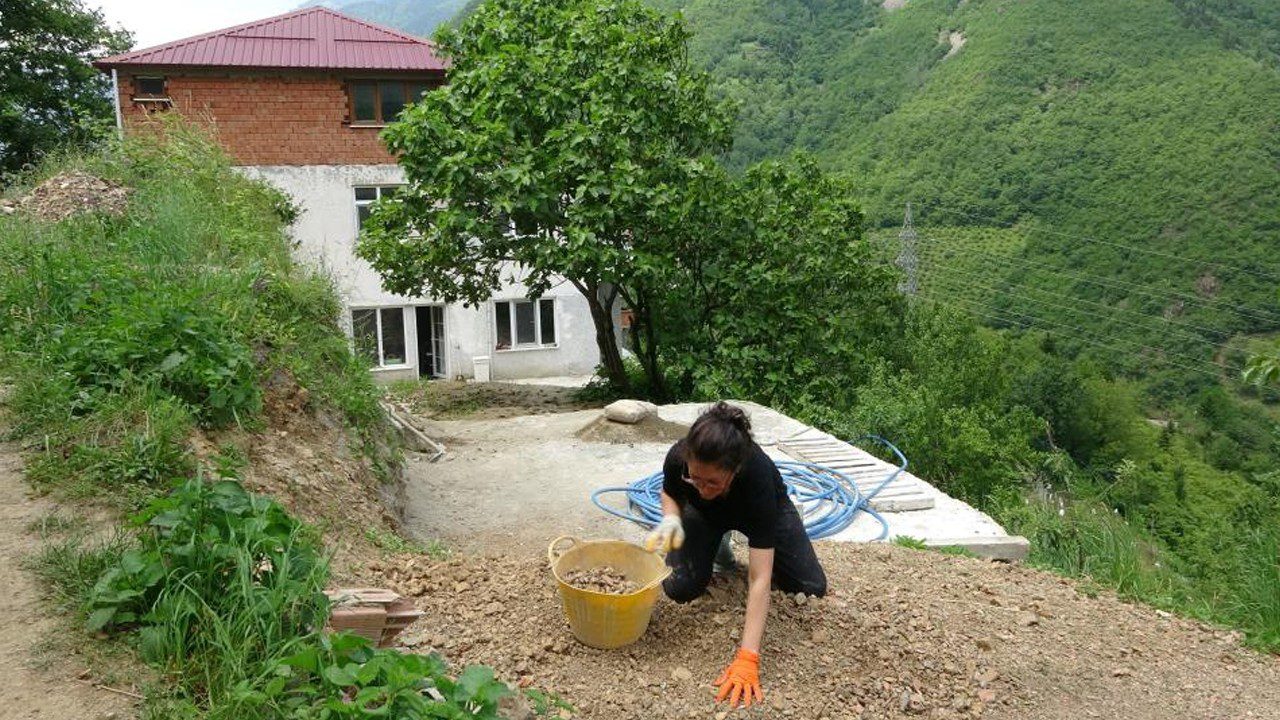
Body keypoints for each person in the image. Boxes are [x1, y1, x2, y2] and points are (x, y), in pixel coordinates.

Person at [645, 401, 826, 708]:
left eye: (713, 481)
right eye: (695, 478)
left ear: (735, 471)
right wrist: (672, 519)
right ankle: (717, 540)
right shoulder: (679, 458)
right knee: (679, 588)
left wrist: (748, 657)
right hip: (706, 515)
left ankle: (735, 537)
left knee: (810, 587)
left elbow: (759, 577)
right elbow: (670, 492)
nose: (701, 487)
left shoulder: (755, 479)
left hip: (760, 511)